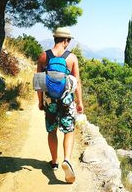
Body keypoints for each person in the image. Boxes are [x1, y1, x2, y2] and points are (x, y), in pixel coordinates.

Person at [36, 27, 84, 183]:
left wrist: (40, 101)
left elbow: (39, 84)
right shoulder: (71, 58)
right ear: (66, 41)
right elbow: (77, 82)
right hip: (66, 101)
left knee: (52, 130)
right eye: (68, 41)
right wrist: (79, 102)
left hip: (49, 100)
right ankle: (67, 160)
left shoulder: (43, 56)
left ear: (55, 38)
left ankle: (54, 162)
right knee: (68, 130)